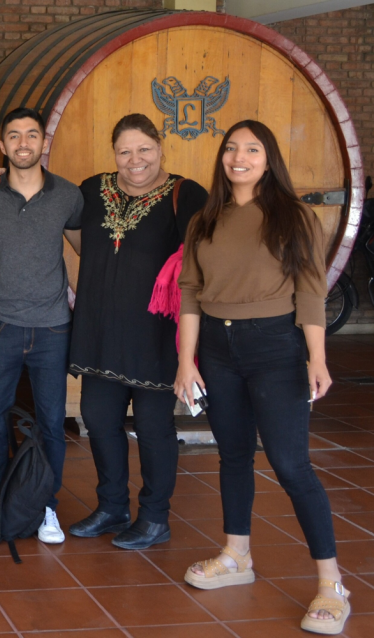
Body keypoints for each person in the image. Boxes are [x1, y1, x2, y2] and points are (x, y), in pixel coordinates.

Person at [0, 114, 209, 550]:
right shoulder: (92, 190)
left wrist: (191, 349)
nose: (135, 159)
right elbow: (48, 208)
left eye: (144, 149)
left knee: (154, 427)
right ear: (114, 153)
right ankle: (112, 506)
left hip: (155, 334)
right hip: (101, 329)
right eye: (125, 151)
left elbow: (200, 265)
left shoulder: (186, 193)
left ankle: (155, 516)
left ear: (160, 147)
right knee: (100, 421)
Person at [175, 120, 351, 634]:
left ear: (269, 158)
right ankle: (236, 556)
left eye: (252, 149)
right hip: (217, 347)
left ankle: (331, 584)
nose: (239, 157)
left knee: (291, 465)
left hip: (276, 345)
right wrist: (187, 361)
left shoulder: (293, 216)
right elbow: (189, 292)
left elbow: (311, 292)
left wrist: (316, 358)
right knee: (231, 454)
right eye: (231, 148)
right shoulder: (205, 220)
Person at [0, 107, 82, 545]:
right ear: (3, 145)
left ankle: (46, 507)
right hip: (1, 326)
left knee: (52, 422)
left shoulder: (67, 196)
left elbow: (90, 251)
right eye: (14, 136)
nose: (24, 143)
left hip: (53, 328)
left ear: (42, 143)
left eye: (32, 135)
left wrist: (84, 305)